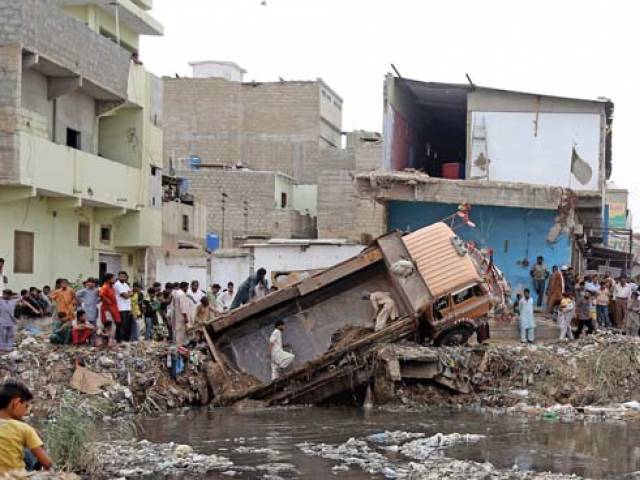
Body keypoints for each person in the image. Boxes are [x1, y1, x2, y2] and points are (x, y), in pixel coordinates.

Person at [0, 381, 53, 474]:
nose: (26, 412)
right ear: (16, 403)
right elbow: (47, 463)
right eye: (26, 406)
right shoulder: (24, 428)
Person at [114, 271, 133, 342]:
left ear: (126, 277)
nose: (122, 277)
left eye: (123, 276)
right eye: (120, 276)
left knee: (127, 326)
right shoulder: (117, 284)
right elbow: (125, 296)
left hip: (127, 308)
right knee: (121, 326)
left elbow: (131, 292)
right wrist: (129, 294)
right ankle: (120, 340)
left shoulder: (125, 284)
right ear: (118, 276)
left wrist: (129, 294)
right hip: (121, 308)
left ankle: (126, 340)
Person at [172, 282, 191, 346]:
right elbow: (183, 307)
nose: (187, 289)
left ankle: (178, 345)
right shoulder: (182, 294)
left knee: (177, 331)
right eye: (187, 287)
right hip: (181, 316)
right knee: (181, 333)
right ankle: (179, 347)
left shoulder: (176, 293)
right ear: (184, 287)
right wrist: (186, 317)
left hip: (176, 315)